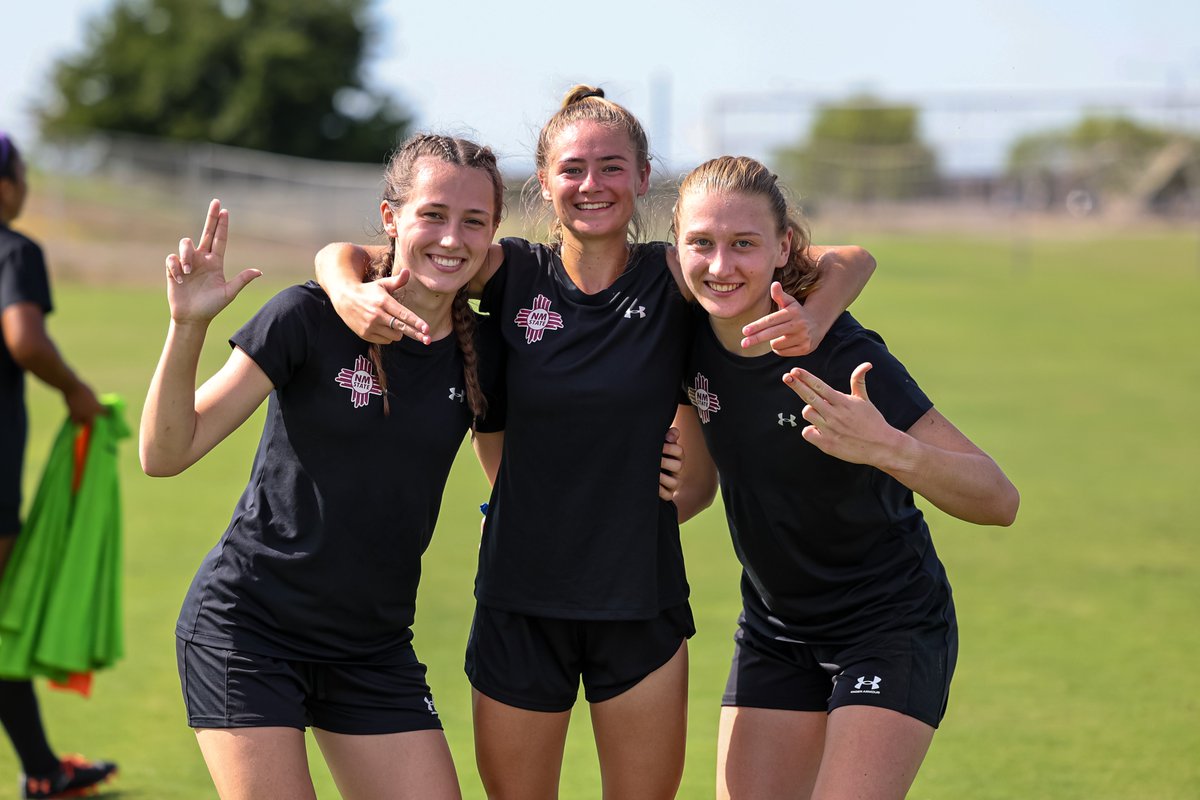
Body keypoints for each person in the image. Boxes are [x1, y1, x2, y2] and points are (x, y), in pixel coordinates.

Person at [315, 88, 877, 799]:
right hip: (520, 602)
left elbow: (848, 259)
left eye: (611, 168)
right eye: (573, 169)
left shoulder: (678, 274)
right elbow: (354, 253)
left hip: (640, 603)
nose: (592, 186)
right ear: (544, 182)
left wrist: (816, 319)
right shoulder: (509, 269)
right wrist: (342, 289)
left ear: (643, 178)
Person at [139, 134, 509, 800]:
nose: (451, 237)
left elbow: (518, 468)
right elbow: (166, 453)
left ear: (493, 235)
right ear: (392, 219)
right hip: (248, 630)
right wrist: (187, 325)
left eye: (473, 221)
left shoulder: (486, 347)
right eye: (433, 214)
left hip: (371, 646)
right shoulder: (306, 316)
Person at [672, 155, 1020, 800]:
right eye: (702, 243)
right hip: (775, 632)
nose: (721, 266)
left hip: (888, 626)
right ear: (677, 246)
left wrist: (890, 449)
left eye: (745, 244)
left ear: (784, 248)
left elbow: (999, 499)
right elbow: (695, 485)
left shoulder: (842, 354)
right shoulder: (682, 331)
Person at [0, 133, 119, 799]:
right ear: (5, 185)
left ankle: (44, 770)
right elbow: (23, 336)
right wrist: (75, 390)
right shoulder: (13, 250)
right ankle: (44, 771)